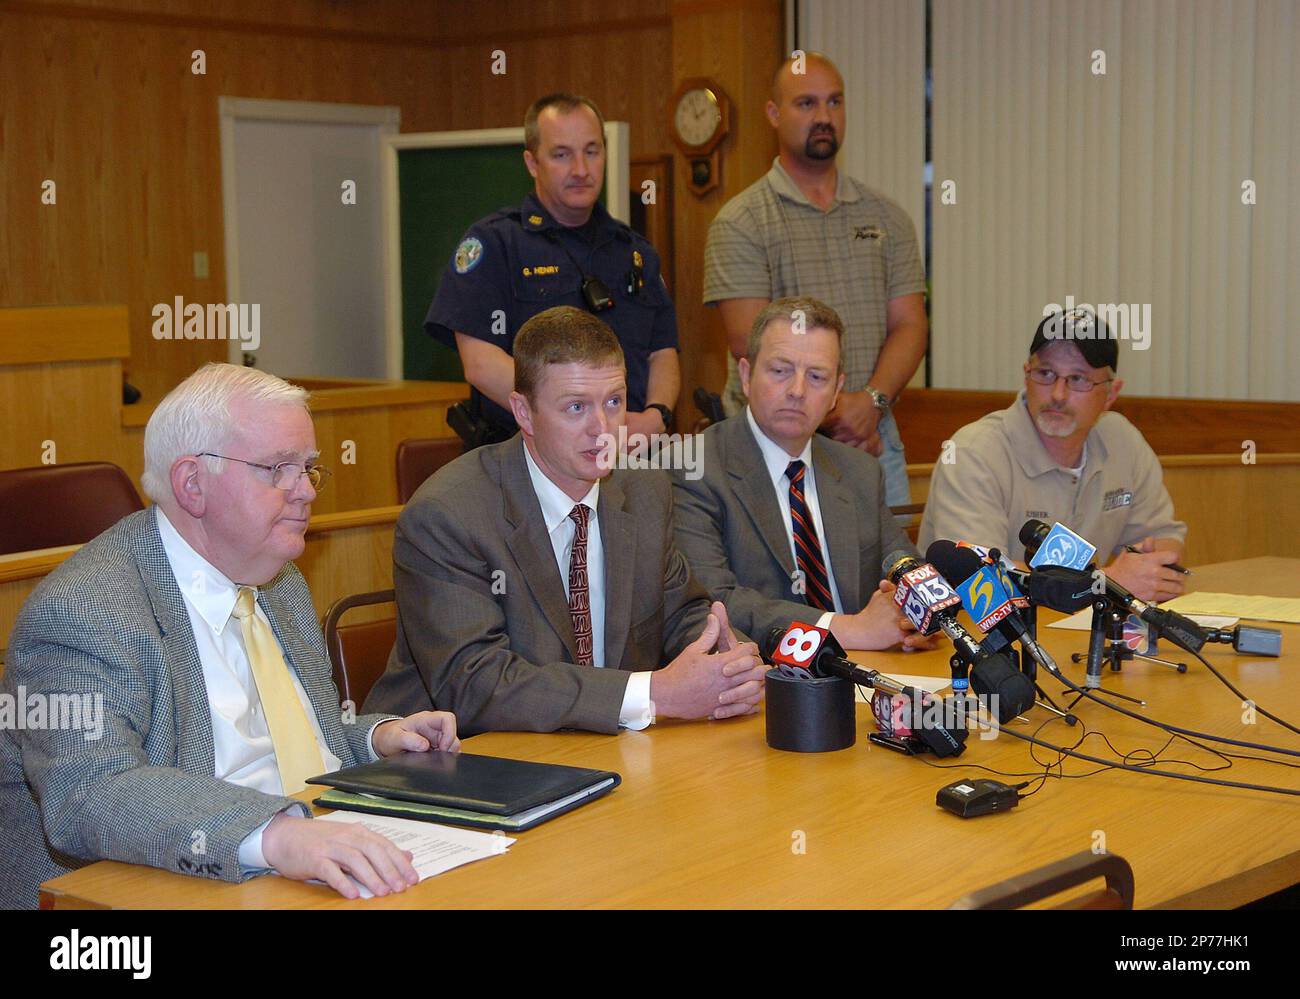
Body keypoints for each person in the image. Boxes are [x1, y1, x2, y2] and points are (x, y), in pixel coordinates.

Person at [0, 364, 460, 909]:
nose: (306, 491)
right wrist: (281, 835)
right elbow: (92, 792)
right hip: (144, 893)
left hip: (297, 870)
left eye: (309, 468)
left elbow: (282, 741)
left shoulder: (279, 580)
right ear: (192, 483)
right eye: (277, 469)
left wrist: (373, 739)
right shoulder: (86, 609)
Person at [364, 306, 765, 734]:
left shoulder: (645, 490)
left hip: (595, 752)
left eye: (614, 402)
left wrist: (725, 660)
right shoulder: (447, 515)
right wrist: (653, 693)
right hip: (455, 761)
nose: (603, 428)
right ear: (522, 411)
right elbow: (474, 684)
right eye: (576, 407)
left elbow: (679, 613)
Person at [703, 52, 928, 508]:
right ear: (774, 113)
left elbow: (911, 324)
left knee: (889, 577)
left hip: (873, 442)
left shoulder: (889, 217)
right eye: (806, 104)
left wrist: (869, 404)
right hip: (773, 451)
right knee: (779, 579)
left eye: (834, 102)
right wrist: (837, 415)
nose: (823, 117)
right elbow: (751, 342)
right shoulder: (741, 221)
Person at [671, 297, 938, 652]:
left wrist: (918, 614)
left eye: (816, 376)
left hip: (871, 677)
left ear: (835, 393)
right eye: (780, 370)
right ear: (747, 376)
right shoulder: (691, 468)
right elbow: (713, 603)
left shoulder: (858, 470)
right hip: (766, 685)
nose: (797, 391)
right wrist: (848, 629)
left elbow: (906, 569)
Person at [429, 92, 679, 445]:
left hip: (630, 459)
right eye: (562, 155)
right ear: (532, 163)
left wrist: (656, 417)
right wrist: (572, 423)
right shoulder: (497, 244)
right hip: (525, 465)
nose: (580, 169)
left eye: (591, 152)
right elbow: (481, 364)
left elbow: (663, 350)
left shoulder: (634, 252)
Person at [919, 308, 1188, 603]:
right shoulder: (973, 453)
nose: (1058, 395)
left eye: (1078, 379)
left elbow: (1164, 539)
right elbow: (979, 583)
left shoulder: (1122, 440)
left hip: (1076, 630)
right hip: (982, 636)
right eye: (1046, 374)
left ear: (1111, 393)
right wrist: (1105, 584)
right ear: (1026, 375)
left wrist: (1148, 566)